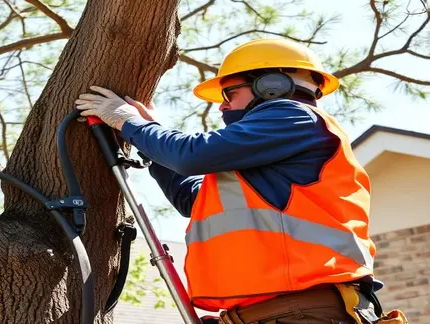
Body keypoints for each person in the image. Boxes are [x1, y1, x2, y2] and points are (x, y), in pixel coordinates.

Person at [75, 38, 408, 324]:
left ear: (271, 86)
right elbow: (190, 197)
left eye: (229, 93)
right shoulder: (267, 153)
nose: (222, 105)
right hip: (276, 313)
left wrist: (132, 124)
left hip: (302, 312)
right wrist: (146, 138)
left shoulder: (291, 116)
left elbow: (190, 156)